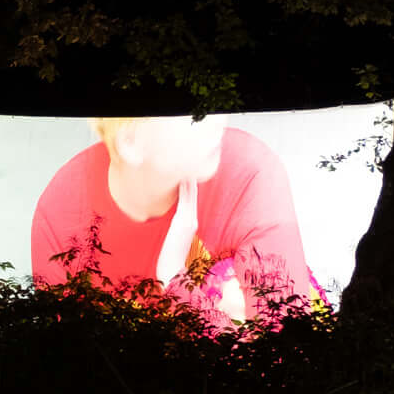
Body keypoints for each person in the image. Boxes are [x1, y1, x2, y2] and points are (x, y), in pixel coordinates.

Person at [29, 116, 322, 329]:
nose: (219, 121)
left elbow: (287, 350)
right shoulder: (63, 215)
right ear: (130, 141)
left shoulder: (248, 172)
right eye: (193, 115)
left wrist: (173, 280)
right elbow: (68, 369)